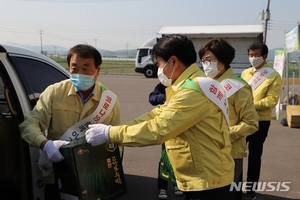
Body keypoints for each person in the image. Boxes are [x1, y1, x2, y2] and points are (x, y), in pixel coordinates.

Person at [85, 34, 234, 200]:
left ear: (174, 62)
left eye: (159, 64)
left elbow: (159, 129)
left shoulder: (192, 91)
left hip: (207, 182)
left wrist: (110, 134)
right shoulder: (189, 85)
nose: (158, 70)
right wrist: (116, 129)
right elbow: (157, 114)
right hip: (204, 177)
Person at [19, 44, 121, 199]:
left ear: (98, 70)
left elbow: (116, 139)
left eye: (86, 68)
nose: (79, 73)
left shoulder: (109, 101)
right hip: (59, 169)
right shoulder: (54, 92)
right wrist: (45, 144)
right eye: (74, 68)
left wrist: (109, 173)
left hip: (93, 174)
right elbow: (29, 124)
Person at [198, 38, 259, 200]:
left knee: (228, 194)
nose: (205, 64)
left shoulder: (238, 87)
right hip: (207, 151)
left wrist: (224, 135)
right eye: (203, 60)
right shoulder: (207, 84)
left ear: (223, 59)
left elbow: (251, 123)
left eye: (209, 60)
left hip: (230, 152)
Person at [240, 42, 282, 200]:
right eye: (250, 55)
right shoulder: (245, 73)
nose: (253, 58)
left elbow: (271, 100)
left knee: (254, 155)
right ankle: (235, 187)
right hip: (243, 118)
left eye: (256, 55)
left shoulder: (273, 75)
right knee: (236, 153)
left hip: (260, 121)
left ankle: (251, 189)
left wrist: (250, 105)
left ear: (265, 56)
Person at [149, 82, 183, 199]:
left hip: (181, 124)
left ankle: (177, 184)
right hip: (166, 124)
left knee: (178, 157)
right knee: (165, 157)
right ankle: (162, 187)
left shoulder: (185, 84)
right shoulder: (163, 85)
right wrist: (166, 97)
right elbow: (152, 98)